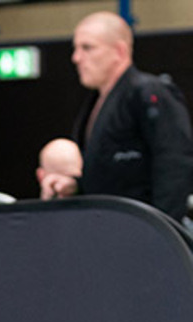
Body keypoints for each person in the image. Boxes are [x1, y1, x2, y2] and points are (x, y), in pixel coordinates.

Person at [40, 11, 193, 221]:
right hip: (110, 227)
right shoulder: (95, 102)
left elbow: (175, 165)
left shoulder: (148, 92)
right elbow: (110, 174)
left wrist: (161, 231)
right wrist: (76, 185)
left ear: (119, 51)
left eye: (87, 48)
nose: (76, 58)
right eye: (75, 48)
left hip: (142, 228)